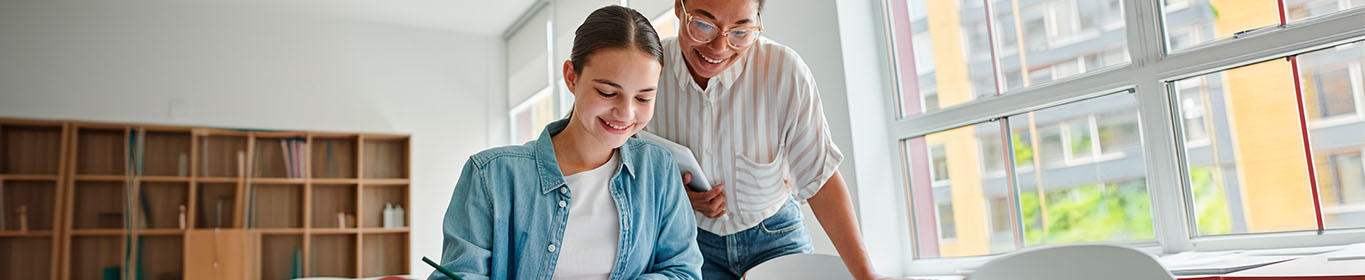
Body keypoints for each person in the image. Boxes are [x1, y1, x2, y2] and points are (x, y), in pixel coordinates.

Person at [429, 5, 701, 280]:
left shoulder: (657, 169)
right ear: (572, 77)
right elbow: (460, 274)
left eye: (643, 98)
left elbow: (683, 271)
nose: (626, 113)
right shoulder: (492, 175)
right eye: (607, 92)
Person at [644, 0, 893, 279]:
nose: (719, 47)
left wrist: (866, 275)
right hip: (692, 239)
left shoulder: (784, 71)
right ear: (679, 7)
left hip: (775, 234)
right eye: (703, 25)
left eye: (740, 31)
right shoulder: (650, 71)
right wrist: (677, 197)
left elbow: (820, 180)